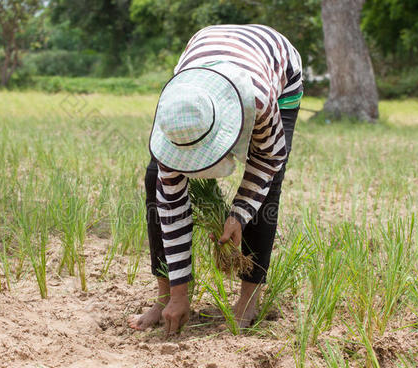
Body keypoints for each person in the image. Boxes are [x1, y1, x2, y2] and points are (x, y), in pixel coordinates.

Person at [128, 24, 303, 335]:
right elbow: (171, 207)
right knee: (155, 177)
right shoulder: (174, 109)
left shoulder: (259, 102)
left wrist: (238, 214)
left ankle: (248, 301)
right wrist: (180, 295)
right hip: (203, 58)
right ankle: (166, 296)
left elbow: (269, 159)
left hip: (276, 67)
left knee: (268, 188)